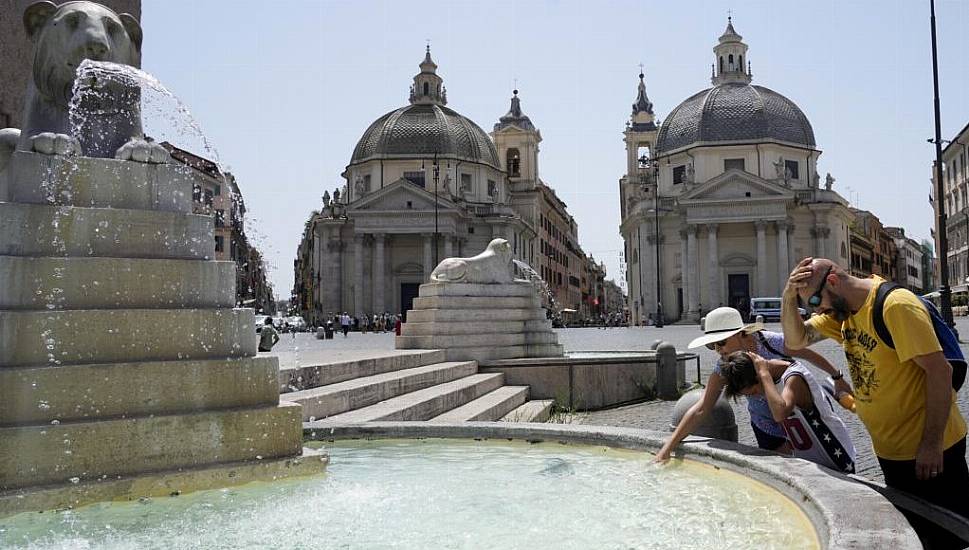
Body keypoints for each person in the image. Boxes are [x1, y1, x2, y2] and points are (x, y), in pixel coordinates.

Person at [781, 257, 969, 520]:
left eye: (814, 301)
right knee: (916, 534)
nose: (817, 310)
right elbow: (794, 340)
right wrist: (789, 296)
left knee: (951, 534)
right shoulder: (841, 314)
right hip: (891, 452)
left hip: (930, 451)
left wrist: (931, 444)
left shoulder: (895, 306)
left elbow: (940, 372)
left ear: (833, 281)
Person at [654, 306, 851, 462]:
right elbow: (701, 408)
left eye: (721, 342)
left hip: (801, 418)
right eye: (712, 345)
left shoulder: (771, 342)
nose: (717, 349)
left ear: (741, 333)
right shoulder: (724, 366)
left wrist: (838, 377)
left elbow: (809, 354)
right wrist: (669, 446)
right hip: (767, 427)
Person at [718, 350, 856, 472]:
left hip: (833, 452)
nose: (757, 396)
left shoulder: (793, 377)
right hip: (812, 461)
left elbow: (780, 414)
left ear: (758, 376)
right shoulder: (772, 380)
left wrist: (764, 374)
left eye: (753, 392)